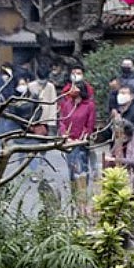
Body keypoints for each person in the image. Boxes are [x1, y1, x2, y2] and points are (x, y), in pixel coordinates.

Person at [58, 77, 96, 215]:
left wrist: (83, 137)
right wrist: (64, 135)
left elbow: (90, 124)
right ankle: (74, 199)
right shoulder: (67, 103)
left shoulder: (89, 105)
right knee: (72, 171)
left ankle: (83, 199)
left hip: (80, 143)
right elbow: (62, 120)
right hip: (68, 141)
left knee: (82, 170)